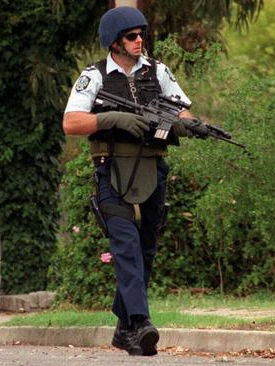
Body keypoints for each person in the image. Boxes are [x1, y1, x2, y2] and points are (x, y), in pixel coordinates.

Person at [62, 6, 207, 357]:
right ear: (114, 43)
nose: (139, 39)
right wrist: (111, 118)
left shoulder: (158, 71)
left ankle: (124, 329)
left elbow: (180, 108)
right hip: (110, 169)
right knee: (125, 245)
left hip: (153, 168)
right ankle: (141, 322)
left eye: (141, 34)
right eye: (131, 36)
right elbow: (71, 122)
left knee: (146, 249)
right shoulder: (93, 76)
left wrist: (189, 124)